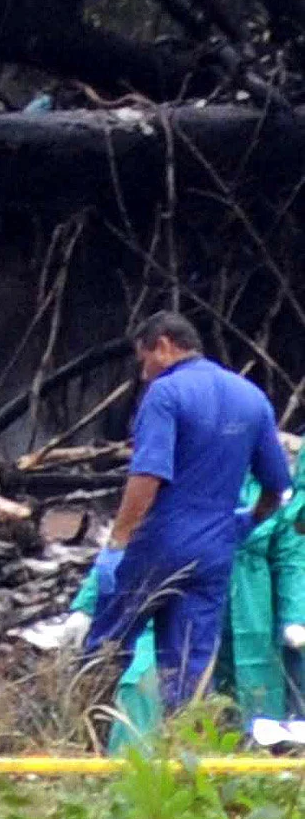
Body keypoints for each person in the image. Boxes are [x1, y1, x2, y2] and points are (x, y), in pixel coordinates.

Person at [93, 313, 291, 711]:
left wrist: (118, 541)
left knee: (106, 651)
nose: (145, 373)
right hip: (214, 551)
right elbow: (276, 485)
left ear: (164, 345)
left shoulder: (165, 394)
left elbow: (147, 475)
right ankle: (182, 757)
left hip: (157, 546)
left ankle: (81, 748)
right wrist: (247, 521)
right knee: (188, 669)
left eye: (144, 359)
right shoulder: (251, 397)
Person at [224, 437, 305, 742]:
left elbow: (291, 557)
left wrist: (294, 616)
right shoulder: (191, 480)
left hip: (253, 599)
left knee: (259, 676)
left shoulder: (276, 491)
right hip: (200, 590)